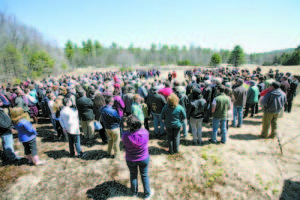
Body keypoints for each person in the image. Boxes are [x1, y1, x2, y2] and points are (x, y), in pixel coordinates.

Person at [122, 115, 153, 199]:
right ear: (138, 123)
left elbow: (124, 145)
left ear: (128, 125)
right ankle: (147, 194)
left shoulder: (125, 136)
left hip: (130, 159)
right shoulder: (145, 133)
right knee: (144, 175)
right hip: (143, 158)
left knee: (133, 175)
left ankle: (134, 192)